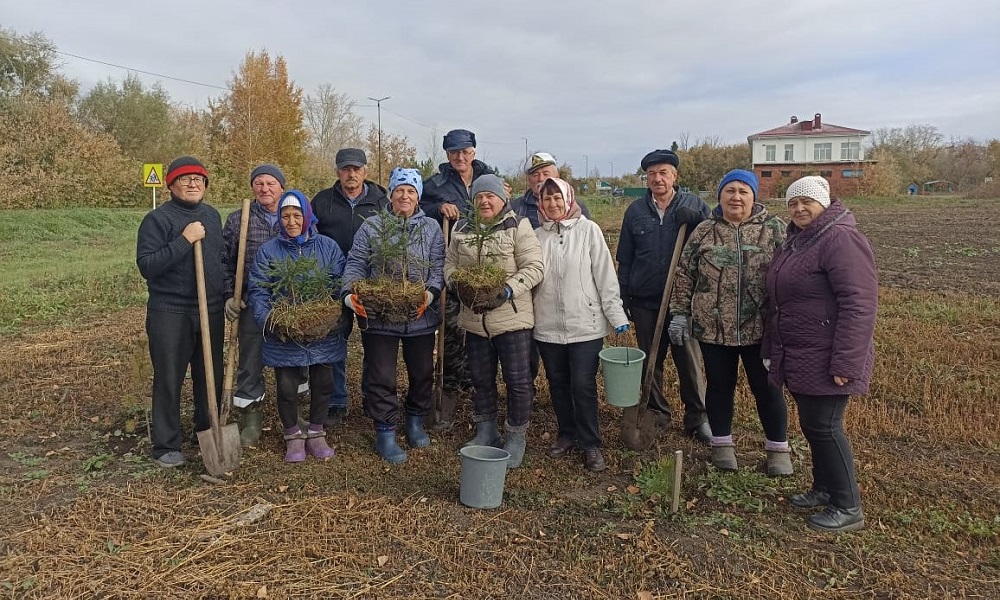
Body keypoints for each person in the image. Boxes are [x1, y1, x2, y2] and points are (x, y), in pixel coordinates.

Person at [763, 175, 878, 533]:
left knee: (826, 427)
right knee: (813, 426)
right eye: (793, 203)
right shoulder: (796, 241)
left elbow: (859, 304)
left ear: (824, 203)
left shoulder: (841, 238)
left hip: (828, 354)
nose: (799, 208)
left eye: (806, 202)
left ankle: (848, 506)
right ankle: (824, 488)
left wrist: (846, 361)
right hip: (801, 352)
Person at [668, 169, 791, 475]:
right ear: (720, 196)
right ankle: (722, 447)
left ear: (753, 196)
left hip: (760, 330)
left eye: (743, 191)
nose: (736, 197)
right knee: (720, 387)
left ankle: (778, 450)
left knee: (767, 389)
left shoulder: (774, 228)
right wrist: (680, 313)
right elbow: (684, 273)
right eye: (729, 191)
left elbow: (791, 275)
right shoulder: (704, 231)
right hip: (713, 328)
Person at [340, 168, 445, 464]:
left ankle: (414, 419)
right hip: (380, 315)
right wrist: (349, 295)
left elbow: (438, 268)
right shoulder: (372, 226)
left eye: (411, 191)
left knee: (422, 372)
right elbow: (356, 263)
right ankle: (385, 429)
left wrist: (430, 294)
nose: (405, 195)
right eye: (400, 190)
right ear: (390, 193)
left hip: (420, 315)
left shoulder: (432, 229)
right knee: (381, 374)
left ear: (418, 196)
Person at [444, 174, 544, 468]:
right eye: (479, 197)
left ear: (502, 198)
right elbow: (450, 264)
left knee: (518, 380)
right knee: (481, 379)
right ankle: (486, 430)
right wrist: (455, 284)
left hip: (512, 320)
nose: (485, 201)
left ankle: (515, 435)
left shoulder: (518, 226)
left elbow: (535, 266)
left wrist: (507, 290)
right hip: (474, 322)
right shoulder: (462, 228)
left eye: (490, 196)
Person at [532, 177, 628, 472]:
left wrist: (616, 314)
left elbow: (605, 275)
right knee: (558, 383)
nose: (553, 204)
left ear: (568, 199)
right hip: (547, 325)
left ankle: (591, 443)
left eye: (557, 198)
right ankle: (567, 433)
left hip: (585, 324)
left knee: (582, 384)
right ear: (541, 203)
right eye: (547, 199)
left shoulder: (589, 231)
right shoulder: (536, 236)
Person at [616, 149, 712, 442]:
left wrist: (697, 221)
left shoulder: (695, 205)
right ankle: (657, 412)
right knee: (650, 361)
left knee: (689, 362)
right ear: (646, 178)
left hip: (683, 302)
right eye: (652, 174)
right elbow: (625, 258)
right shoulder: (635, 211)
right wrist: (624, 296)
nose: (658, 178)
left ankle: (698, 418)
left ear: (674, 176)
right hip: (645, 301)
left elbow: (713, 241)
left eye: (663, 173)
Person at [136, 156, 224, 468]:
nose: (192, 183)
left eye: (198, 179)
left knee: (209, 374)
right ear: (171, 184)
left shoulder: (212, 216)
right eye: (184, 179)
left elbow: (221, 261)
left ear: (205, 185)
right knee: (169, 377)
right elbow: (147, 266)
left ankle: (205, 429)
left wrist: (226, 296)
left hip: (210, 309)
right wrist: (184, 241)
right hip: (169, 311)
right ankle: (166, 444)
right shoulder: (157, 220)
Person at [247, 191, 347, 463]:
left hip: (323, 331)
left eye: (296, 215)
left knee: (323, 382)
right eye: (285, 216)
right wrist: (269, 319)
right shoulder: (269, 251)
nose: (291, 221)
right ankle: (292, 435)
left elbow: (340, 284)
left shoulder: (328, 247)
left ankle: (316, 432)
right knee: (287, 386)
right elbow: (259, 289)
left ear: (307, 216)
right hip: (284, 332)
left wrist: (335, 317)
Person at [312, 148, 390, 426]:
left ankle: (372, 397)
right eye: (346, 169)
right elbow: (311, 240)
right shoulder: (322, 202)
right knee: (334, 341)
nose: (351, 174)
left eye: (356, 169)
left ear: (365, 171)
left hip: (372, 284)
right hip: (332, 285)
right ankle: (336, 399)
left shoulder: (382, 202)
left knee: (375, 343)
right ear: (338, 172)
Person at [419, 129, 492, 427]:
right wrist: (437, 208)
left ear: (474, 151)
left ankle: (476, 382)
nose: (460, 157)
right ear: (447, 155)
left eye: (465, 151)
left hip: (485, 264)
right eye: (454, 152)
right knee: (450, 327)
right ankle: (449, 385)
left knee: (480, 327)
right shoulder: (435, 184)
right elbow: (414, 206)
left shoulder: (488, 178)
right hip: (452, 263)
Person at [222, 164, 295, 448]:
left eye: (271, 183)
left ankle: (295, 414)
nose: (265, 189)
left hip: (288, 304)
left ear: (281, 186)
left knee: (291, 359)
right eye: (259, 183)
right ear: (253, 187)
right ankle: (251, 421)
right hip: (253, 302)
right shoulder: (238, 219)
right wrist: (230, 294)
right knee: (250, 361)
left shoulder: (294, 216)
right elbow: (226, 262)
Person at [511, 152, 591, 229]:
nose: (541, 179)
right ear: (528, 180)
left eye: (546, 174)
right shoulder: (516, 207)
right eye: (535, 175)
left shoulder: (575, 207)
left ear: (557, 176)